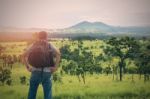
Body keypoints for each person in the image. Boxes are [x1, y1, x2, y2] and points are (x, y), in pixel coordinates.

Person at [22, 31, 61, 99]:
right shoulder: (49, 45)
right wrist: (55, 67)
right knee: (47, 94)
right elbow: (58, 54)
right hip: (47, 72)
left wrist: (28, 67)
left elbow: (23, 55)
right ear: (46, 37)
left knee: (32, 93)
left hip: (35, 71)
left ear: (38, 37)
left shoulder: (34, 45)